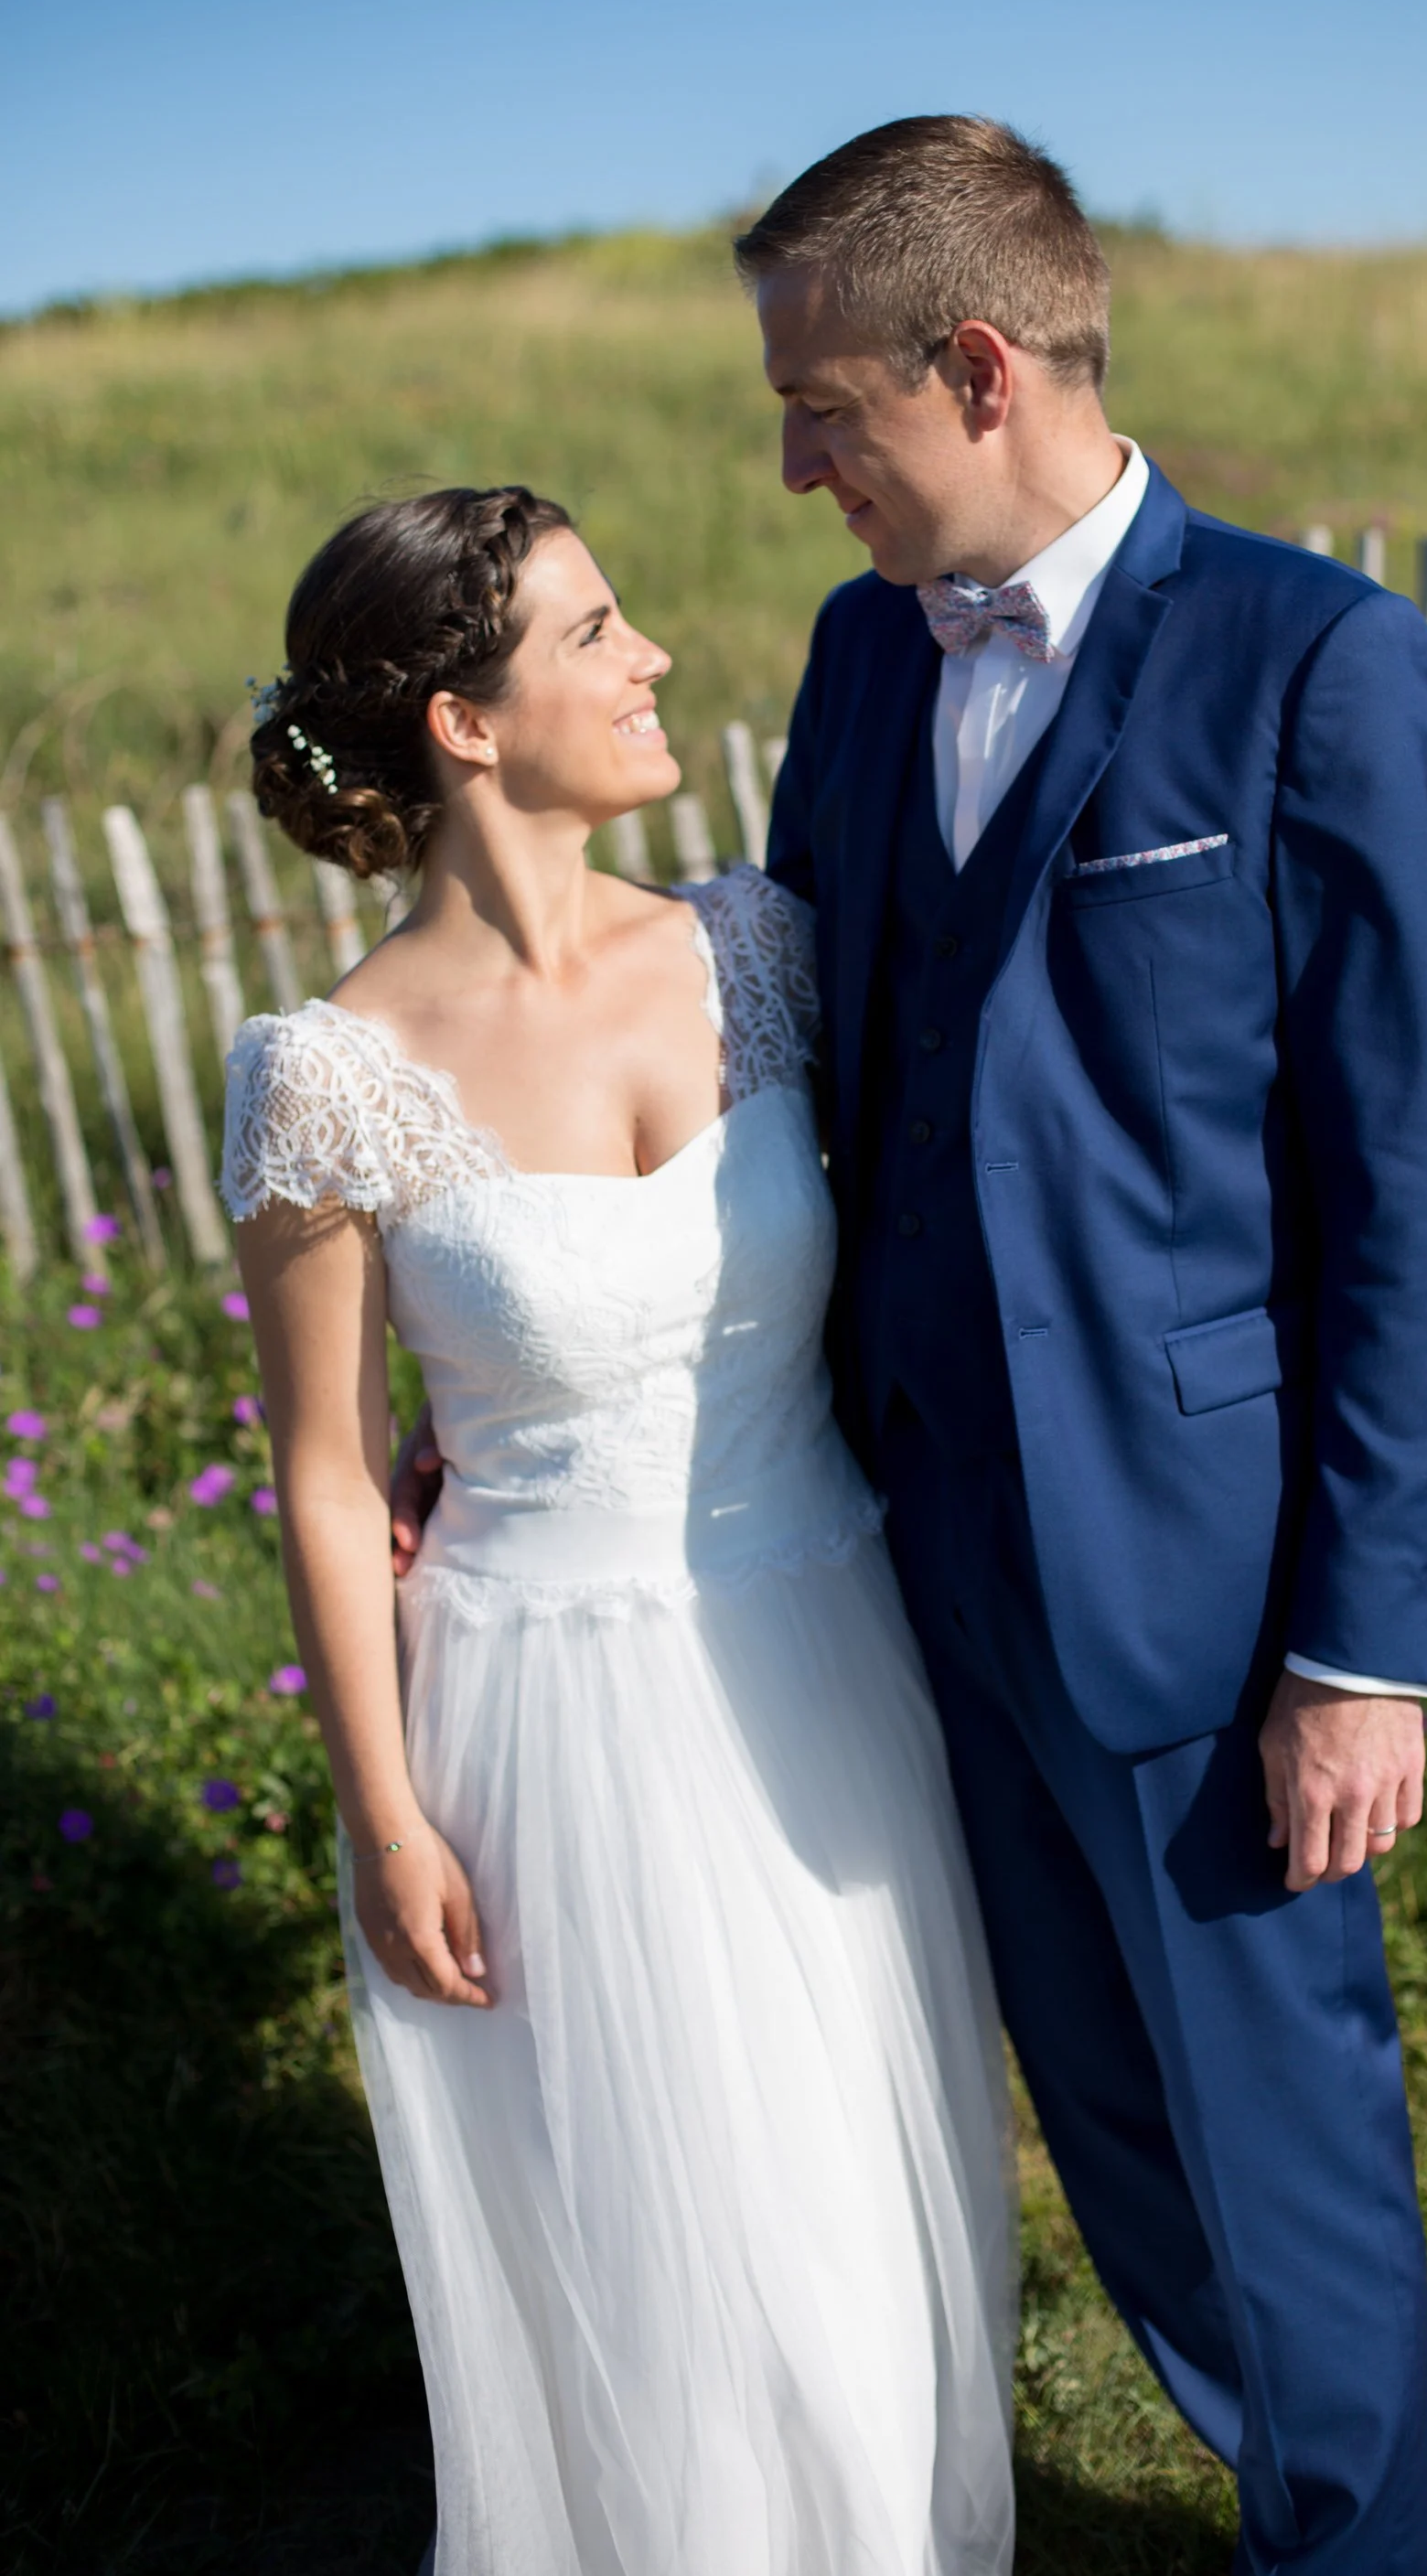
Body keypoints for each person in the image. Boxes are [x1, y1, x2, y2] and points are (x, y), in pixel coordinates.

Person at [736, 117, 1427, 2575]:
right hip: (921, 1546)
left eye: (821, 406)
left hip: (1202, 1588)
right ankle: (1275, 2493)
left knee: (1284, 2156)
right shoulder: (858, 660)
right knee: (1113, 2130)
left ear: (973, 366)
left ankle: (1347, 2541)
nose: (793, 462)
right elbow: (792, 1057)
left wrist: (1363, 1645)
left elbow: (1402, 1187)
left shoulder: (1311, 657)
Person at [224, 486, 1016, 2576]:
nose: (652, 654)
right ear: (469, 724)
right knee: (671, 2261)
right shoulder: (323, 1077)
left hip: (827, 1648)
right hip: (547, 1724)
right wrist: (386, 1817)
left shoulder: (759, 942)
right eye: (595, 631)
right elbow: (323, 1465)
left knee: (854, 2220)